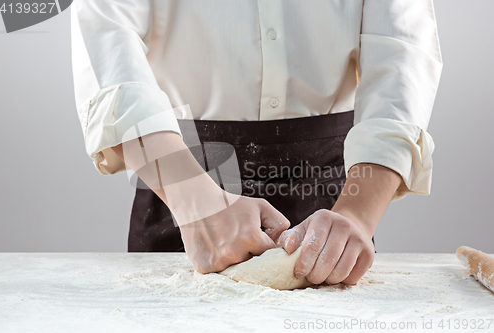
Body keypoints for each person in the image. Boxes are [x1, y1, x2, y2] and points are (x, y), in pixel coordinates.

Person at [71, 0, 442, 285]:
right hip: (179, 187)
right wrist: (193, 198)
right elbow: (107, 40)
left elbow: (402, 59)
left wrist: (358, 213)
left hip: (334, 206)